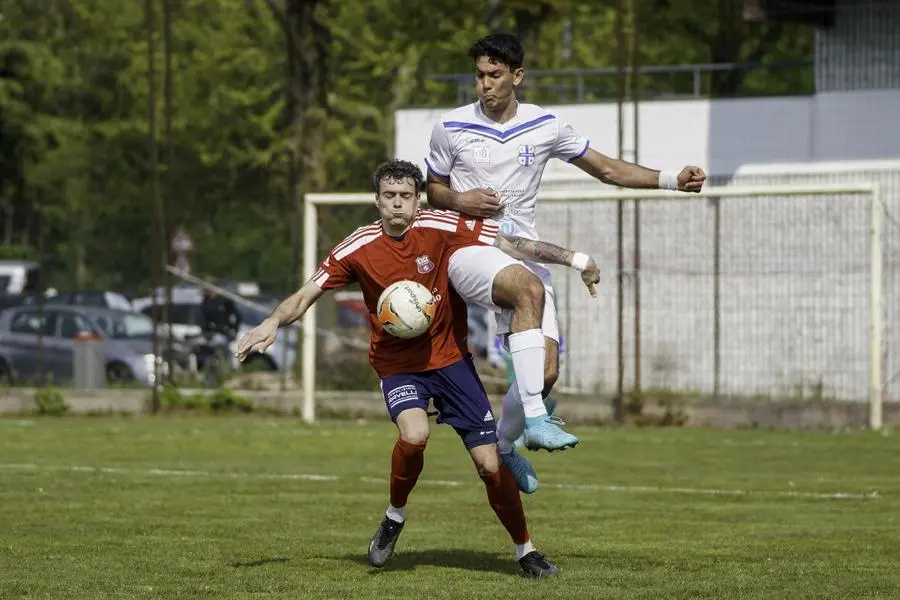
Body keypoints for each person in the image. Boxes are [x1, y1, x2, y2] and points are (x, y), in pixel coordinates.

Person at [235, 159, 599, 577]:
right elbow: (307, 294)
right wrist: (272, 321)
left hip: (451, 361)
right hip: (397, 365)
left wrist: (574, 258)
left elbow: (511, 243)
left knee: (488, 464)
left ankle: (525, 550)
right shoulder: (357, 246)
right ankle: (394, 516)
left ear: (417, 199)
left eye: (405, 196)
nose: (397, 205)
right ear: (377, 201)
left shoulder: (441, 226)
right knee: (416, 434)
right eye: (389, 197)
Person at [425, 32, 706, 475]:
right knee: (528, 290)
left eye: (495, 75)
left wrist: (673, 178)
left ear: (517, 76)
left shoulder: (546, 125)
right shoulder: (452, 126)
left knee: (547, 372)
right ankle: (537, 419)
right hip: (468, 249)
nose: (485, 85)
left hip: (524, 249)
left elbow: (608, 169)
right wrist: (462, 201)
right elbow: (434, 189)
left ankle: (501, 447)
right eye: (479, 76)